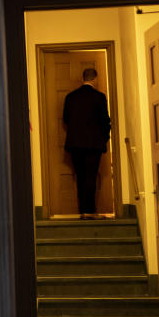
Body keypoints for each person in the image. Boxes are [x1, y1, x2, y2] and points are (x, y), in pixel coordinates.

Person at [62, 68, 111, 219]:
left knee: (81, 176)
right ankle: (89, 211)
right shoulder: (99, 97)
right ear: (95, 79)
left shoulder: (70, 97)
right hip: (93, 144)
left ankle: (83, 210)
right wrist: (104, 137)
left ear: (83, 78)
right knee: (91, 176)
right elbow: (105, 120)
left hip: (75, 144)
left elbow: (66, 118)